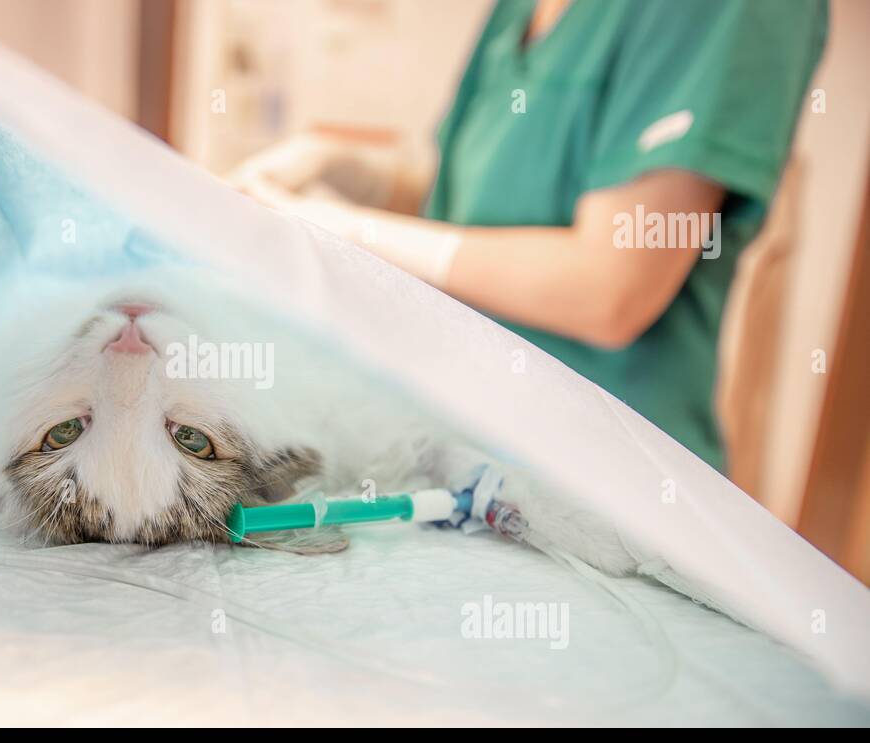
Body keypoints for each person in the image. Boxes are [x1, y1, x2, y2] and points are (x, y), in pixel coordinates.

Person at [233, 0, 828, 472]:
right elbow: (477, 210)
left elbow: (609, 289)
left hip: (609, 483)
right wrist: (359, 177)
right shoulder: (520, 12)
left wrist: (349, 233)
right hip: (454, 440)